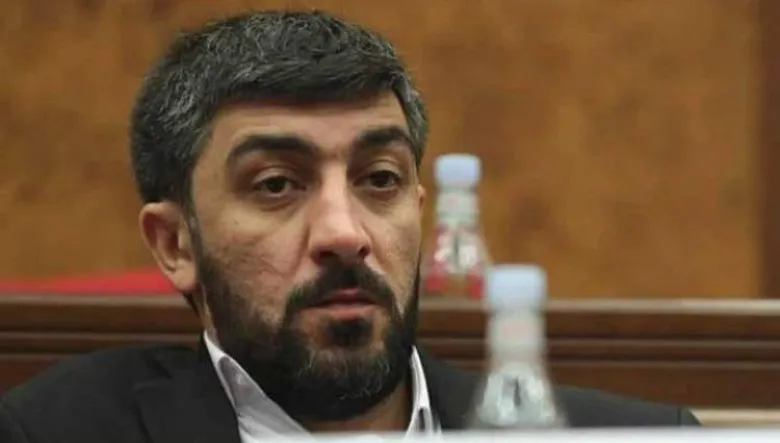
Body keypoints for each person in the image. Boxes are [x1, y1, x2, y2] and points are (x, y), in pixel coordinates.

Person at [0, 9, 699, 443]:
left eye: (379, 179)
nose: (344, 232)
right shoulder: (52, 430)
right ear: (176, 244)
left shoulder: (635, 438)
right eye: (277, 185)